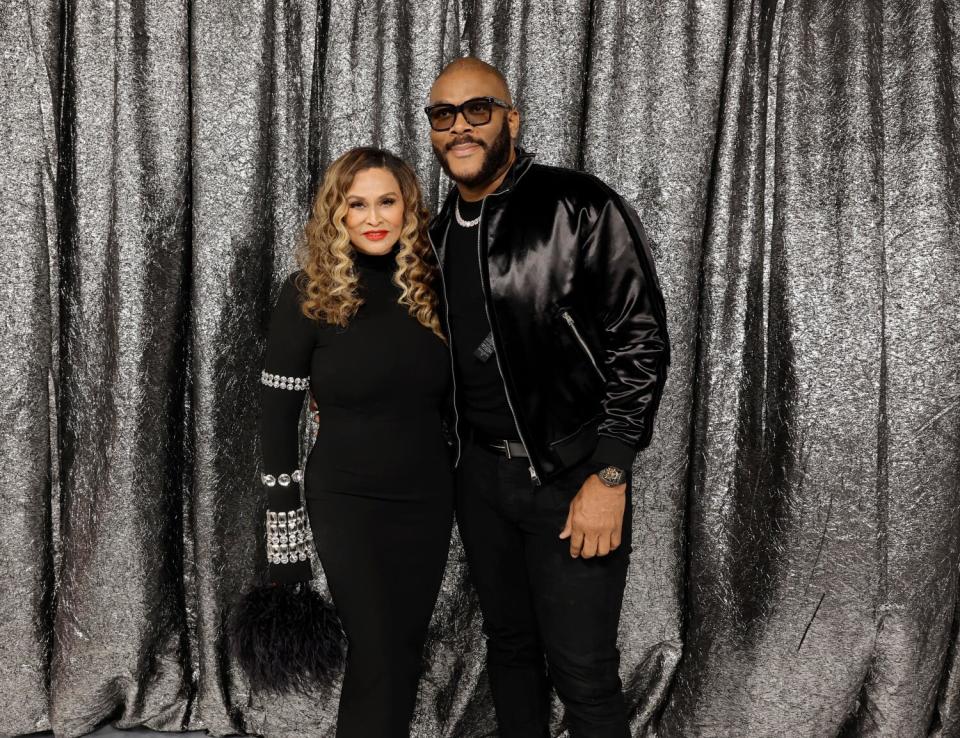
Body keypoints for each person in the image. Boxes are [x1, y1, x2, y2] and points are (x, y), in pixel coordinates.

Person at [422, 57, 671, 738]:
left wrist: (610, 471)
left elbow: (641, 339)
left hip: (571, 476)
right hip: (479, 478)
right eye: (444, 115)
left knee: (584, 673)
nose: (460, 127)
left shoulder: (579, 205)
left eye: (478, 109)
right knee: (509, 650)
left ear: (511, 118)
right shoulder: (436, 238)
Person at [256, 146, 454, 737]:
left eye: (387, 201)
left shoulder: (438, 292)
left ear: (408, 209)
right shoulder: (307, 295)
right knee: (375, 650)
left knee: (402, 652)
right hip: (345, 501)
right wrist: (284, 538)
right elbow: (276, 419)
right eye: (357, 203)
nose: (374, 217)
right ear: (336, 214)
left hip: (427, 499)